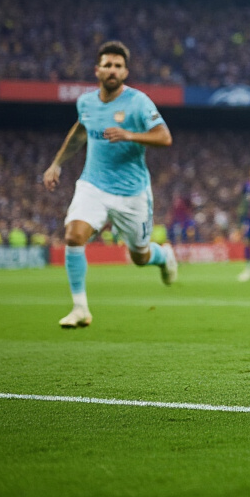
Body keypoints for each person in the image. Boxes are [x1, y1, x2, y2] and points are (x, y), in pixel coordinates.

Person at [42, 40, 176, 328]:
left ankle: (163, 256)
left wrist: (130, 135)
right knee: (74, 236)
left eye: (117, 66)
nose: (112, 70)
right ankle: (80, 309)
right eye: (107, 65)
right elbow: (80, 131)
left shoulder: (138, 102)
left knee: (139, 257)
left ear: (125, 72)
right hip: (93, 185)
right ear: (97, 70)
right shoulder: (86, 102)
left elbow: (164, 137)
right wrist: (57, 164)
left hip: (132, 193)